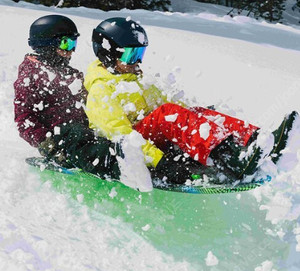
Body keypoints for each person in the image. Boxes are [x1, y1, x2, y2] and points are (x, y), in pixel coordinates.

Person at [84, 17, 298, 184]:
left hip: (151, 139)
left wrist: (199, 118)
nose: (137, 62)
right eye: (131, 55)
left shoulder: (133, 78)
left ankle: (255, 141)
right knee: (167, 113)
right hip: (131, 150)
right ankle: (228, 158)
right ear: (108, 53)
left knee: (195, 111)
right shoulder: (101, 89)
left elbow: (177, 111)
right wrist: (160, 162)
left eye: (140, 54)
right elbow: (122, 135)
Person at [14, 15, 124, 180]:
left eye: (74, 44)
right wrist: (46, 144)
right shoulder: (31, 75)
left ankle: (137, 162)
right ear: (46, 44)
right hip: (62, 140)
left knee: (110, 139)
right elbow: (24, 118)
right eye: (66, 43)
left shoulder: (71, 74)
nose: (71, 50)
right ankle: (122, 170)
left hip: (85, 135)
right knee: (83, 137)